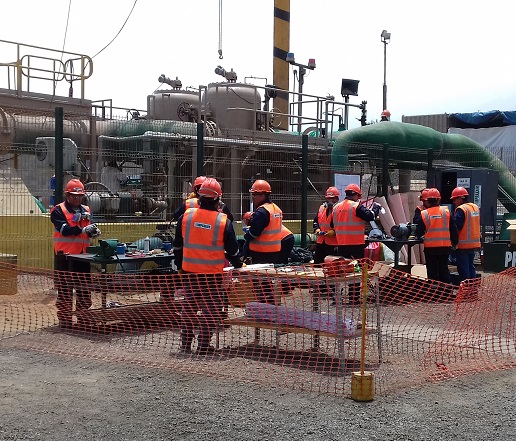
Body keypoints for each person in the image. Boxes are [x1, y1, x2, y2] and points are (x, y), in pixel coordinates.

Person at [173, 178, 242, 355]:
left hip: (189, 273)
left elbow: (177, 246)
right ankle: (203, 346)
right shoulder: (222, 221)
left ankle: (185, 344)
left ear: (199, 197)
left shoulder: (186, 217)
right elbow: (233, 251)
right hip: (212, 276)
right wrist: (239, 265)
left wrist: (180, 265)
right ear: (218, 199)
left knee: (188, 308)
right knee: (210, 310)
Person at [50, 178, 101, 328]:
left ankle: (83, 318)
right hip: (65, 257)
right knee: (65, 289)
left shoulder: (86, 210)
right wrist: (83, 230)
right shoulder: (58, 210)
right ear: (67, 195)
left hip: (82, 256)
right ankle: (65, 320)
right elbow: (64, 230)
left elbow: (88, 228)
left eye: (80, 196)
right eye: (74, 196)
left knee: (84, 289)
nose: (77, 199)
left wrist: (92, 232)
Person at [332, 183, 377, 305]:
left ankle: (338, 295)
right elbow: (370, 216)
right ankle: (353, 297)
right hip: (356, 244)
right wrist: (375, 209)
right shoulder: (356, 206)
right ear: (357, 195)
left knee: (343, 271)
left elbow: (332, 224)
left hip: (341, 243)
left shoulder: (336, 207)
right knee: (355, 271)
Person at [415, 188, 458, 284]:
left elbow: (419, 231)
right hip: (445, 247)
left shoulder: (424, 213)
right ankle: (447, 290)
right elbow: (453, 228)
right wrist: (455, 242)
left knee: (432, 271)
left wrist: (417, 236)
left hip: (430, 248)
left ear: (428, 200)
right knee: (444, 269)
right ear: (439, 199)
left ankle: (434, 291)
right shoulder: (446, 212)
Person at [244, 179, 283, 265]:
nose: (253, 197)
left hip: (260, 253)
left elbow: (254, 233)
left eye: (255, 194)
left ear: (263, 195)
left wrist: (246, 235)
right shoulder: (276, 209)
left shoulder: (262, 212)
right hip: (275, 252)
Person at [450, 186, 481, 282]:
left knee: (464, 269)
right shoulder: (474, 207)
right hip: (473, 244)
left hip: (463, 245)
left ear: (460, 198)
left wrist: (453, 241)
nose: (454, 202)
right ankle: (472, 288)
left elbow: (456, 227)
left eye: (454, 199)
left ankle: (466, 289)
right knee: (471, 267)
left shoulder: (461, 209)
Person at [313, 186, 340, 264]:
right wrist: (316, 229)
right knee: (318, 265)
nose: (330, 201)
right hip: (321, 242)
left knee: (331, 267)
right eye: (328, 198)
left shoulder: (339, 209)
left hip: (333, 243)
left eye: (332, 198)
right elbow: (316, 221)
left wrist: (334, 232)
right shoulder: (322, 208)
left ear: (337, 199)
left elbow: (343, 226)